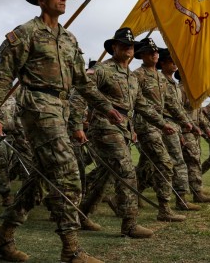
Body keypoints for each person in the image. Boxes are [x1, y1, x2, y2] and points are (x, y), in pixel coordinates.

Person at [0, 0, 122, 263]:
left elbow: (83, 82)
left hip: (61, 108)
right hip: (37, 106)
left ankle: (3, 236)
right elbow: (1, 78)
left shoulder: (69, 39)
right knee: (69, 175)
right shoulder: (25, 34)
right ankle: (71, 249)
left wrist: (107, 107)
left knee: (41, 179)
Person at [70, 28, 178, 238]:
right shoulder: (102, 70)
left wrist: (161, 123)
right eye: (124, 45)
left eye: (131, 46)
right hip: (104, 127)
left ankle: (81, 214)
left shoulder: (132, 77)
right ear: (114, 48)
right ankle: (129, 223)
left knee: (105, 174)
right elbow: (80, 95)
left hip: (124, 128)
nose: (128, 49)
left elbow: (142, 105)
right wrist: (76, 125)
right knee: (127, 171)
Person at [133, 38, 195, 222]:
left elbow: (172, 104)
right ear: (142, 55)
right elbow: (133, 102)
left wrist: (186, 122)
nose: (154, 54)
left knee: (147, 166)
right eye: (150, 52)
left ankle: (121, 197)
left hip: (161, 126)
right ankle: (164, 209)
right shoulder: (137, 76)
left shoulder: (161, 78)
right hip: (145, 125)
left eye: (156, 52)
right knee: (166, 163)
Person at [172, 69, 210, 203]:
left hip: (193, 132)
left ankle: (196, 191)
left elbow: (198, 114)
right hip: (185, 131)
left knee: (193, 161)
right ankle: (194, 193)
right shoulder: (180, 90)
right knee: (191, 161)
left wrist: (206, 128)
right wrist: (191, 127)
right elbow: (178, 112)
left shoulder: (193, 92)